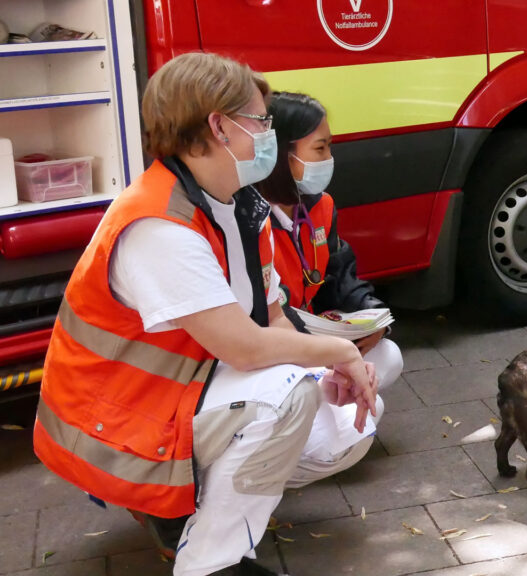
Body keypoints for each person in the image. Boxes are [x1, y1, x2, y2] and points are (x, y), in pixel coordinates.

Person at [33, 52, 383, 576]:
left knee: (348, 426)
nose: (269, 134)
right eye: (262, 121)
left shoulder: (242, 205)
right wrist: (335, 354)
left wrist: (321, 367)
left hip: (173, 395)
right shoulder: (158, 223)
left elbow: (273, 321)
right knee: (288, 399)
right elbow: (244, 347)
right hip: (115, 421)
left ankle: (191, 505)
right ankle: (211, 563)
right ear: (219, 126)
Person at [256, 91, 403, 391]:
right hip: (279, 350)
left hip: (317, 338)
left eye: (329, 147)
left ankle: (340, 404)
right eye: (320, 148)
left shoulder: (320, 206)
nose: (329, 159)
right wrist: (326, 350)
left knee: (389, 355)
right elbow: (262, 319)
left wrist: (374, 320)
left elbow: (341, 277)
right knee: (360, 407)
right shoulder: (251, 220)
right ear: (282, 154)